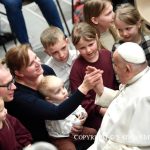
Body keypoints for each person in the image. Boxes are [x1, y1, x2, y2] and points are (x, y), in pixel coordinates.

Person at [4, 44, 101, 143]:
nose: (38, 63)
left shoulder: (45, 70)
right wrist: (84, 87)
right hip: (48, 140)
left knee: (96, 135)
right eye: (31, 64)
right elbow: (57, 112)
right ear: (19, 73)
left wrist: (75, 123)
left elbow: (64, 99)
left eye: (36, 57)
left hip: (67, 125)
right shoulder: (19, 97)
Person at [88, 42, 150, 150]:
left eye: (115, 65)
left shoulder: (146, 98)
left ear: (127, 69)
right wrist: (101, 90)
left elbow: (141, 146)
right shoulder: (137, 77)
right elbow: (125, 100)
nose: (114, 69)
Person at [70, 22, 118, 133]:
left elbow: (117, 80)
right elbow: (80, 100)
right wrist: (100, 110)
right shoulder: (76, 69)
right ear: (76, 47)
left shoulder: (107, 55)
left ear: (96, 38)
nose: (88, 50)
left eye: (91, 44)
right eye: (82, 48)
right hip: (95, 115)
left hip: (115, 101)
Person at [38, 75, 88, 150]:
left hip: (77, 131)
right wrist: (76, 123)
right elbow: (62, 128)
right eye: (58, 91)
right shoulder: (51, 111)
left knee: (94, 133)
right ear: (49, 99)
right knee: (69, 148)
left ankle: (85, 140)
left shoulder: (68, 100)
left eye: (63, 87)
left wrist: (82, 117)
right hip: (61, 138)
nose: (64, 91)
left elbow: (80, 109)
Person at [0, 61, 32, 150]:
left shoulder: (7, 115)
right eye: (7, 84)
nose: (14, 87)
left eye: (12, 81)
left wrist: (27, 144)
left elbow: (21, 133)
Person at [40, 26, 78, 92]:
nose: (61, 55)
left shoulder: (78, 55)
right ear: (47, 52)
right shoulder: (48, 70)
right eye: (55, 52)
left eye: (63, 48)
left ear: (67, 41)